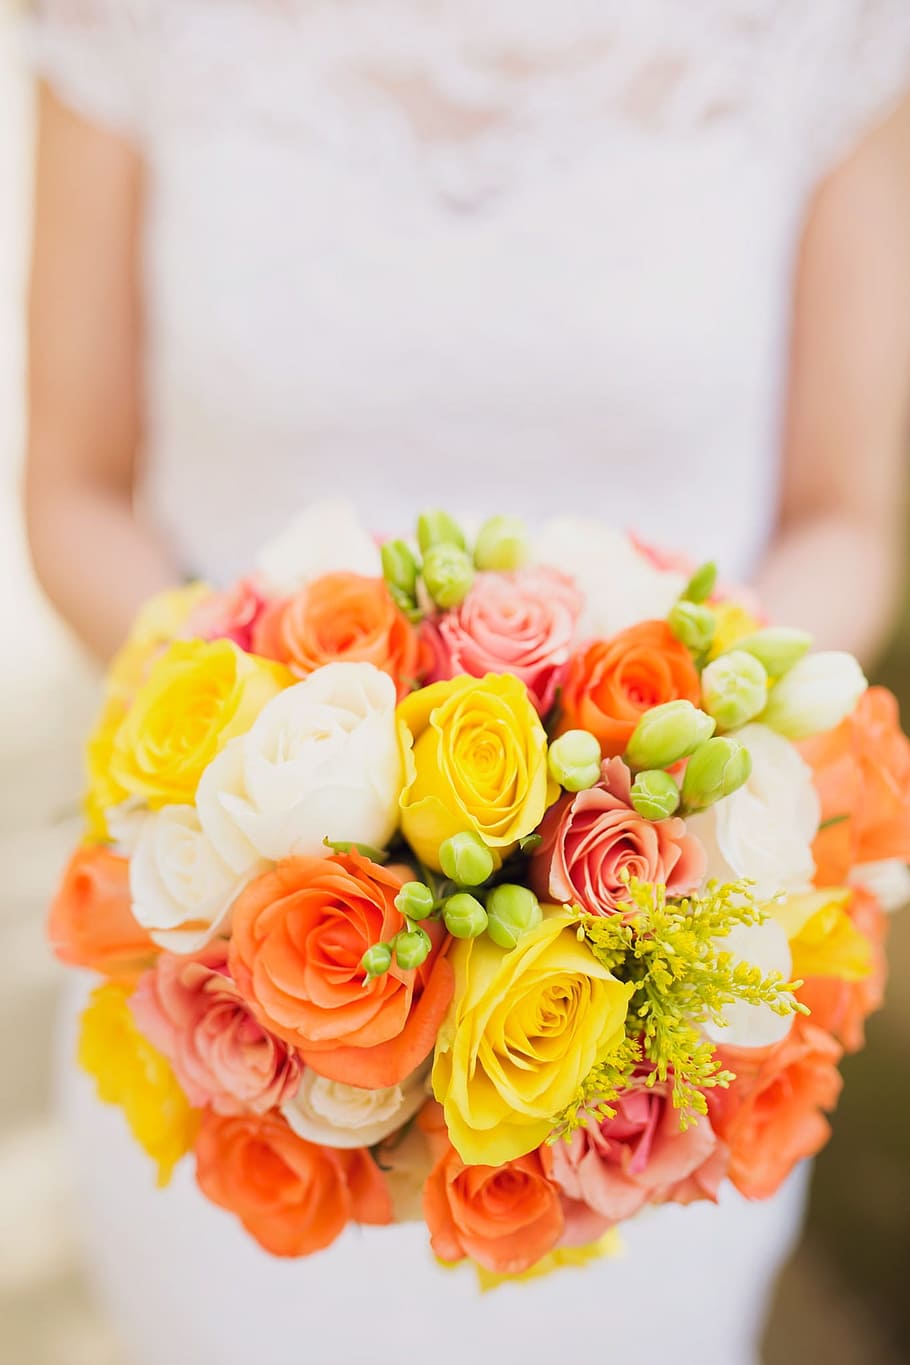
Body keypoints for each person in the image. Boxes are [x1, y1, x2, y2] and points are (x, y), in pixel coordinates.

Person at [22, 4, 910, 1364]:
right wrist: (256, 783)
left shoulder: (820, 28)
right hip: (230, 945)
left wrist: (650, 816)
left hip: (656, 986)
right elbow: (73, 486)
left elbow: (841, 518)